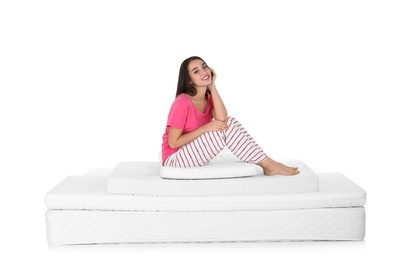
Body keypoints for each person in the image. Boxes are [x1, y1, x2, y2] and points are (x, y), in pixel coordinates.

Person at [161, 56, 299, 176]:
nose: (204, 72)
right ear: (189, 80)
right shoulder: (182, 102)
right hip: (175, 160)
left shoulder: (208, 97)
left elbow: (222, 118)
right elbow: (174, 142)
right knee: (226, 126)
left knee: (228, 122)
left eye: (205, 67)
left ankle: (269, 163)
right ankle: (269, 165)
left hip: (191, 152)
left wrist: (212, 85)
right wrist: (205, 128)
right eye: (196, 71)